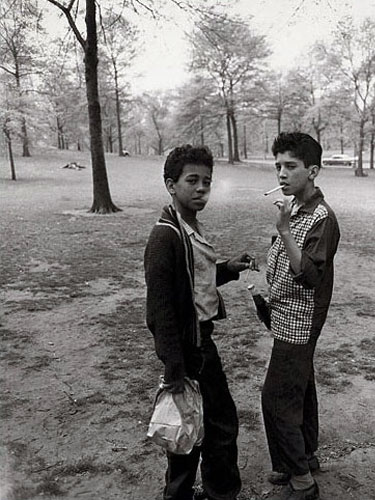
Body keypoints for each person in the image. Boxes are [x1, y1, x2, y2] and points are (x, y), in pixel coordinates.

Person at [144, 144, 253, 500]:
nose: (202, 188)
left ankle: (190, 493)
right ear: (170, 184)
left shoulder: (190, 225)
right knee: (210, 424)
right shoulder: (165, 236)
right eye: (192, 180)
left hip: (200, 341)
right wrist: (175, 365)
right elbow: (161, 309)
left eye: (207, 181)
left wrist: (228, 270)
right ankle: (216, 493)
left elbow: (194, 283)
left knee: (194, 423)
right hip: (190, 349)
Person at [262, 132, 340, 500]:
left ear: (313, 171)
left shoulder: (322, 217)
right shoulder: (296, 208)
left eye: (290, 166)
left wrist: (283, 231)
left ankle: (302, 481)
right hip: (285, 313)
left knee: (277, 398)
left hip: (302, 319)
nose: (281, 174)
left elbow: (308, 274)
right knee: (301, 390)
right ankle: (304, 458)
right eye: (278, 166)